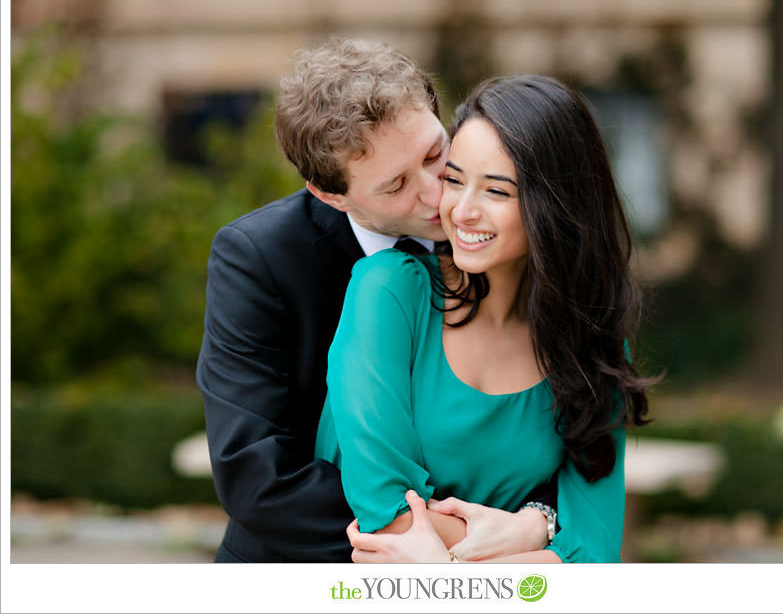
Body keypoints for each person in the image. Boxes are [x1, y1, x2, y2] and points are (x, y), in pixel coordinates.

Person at [196, 39, 555, 562]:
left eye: (436, 154)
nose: (439, 195)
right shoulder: (259, 258)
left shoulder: (511, 229)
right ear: (330, 194)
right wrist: (426, 541)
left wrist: (535, 521)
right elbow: (256, 474)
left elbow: (565, 429)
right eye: (396, 187)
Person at [315, 74, 655, 563]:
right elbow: (389, 516)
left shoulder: (591, 342)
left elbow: (596, 554)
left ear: (554, 207)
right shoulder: (388, 291)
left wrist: (476, 549)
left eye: (497, 191)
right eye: (454, 179)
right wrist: (537, 539)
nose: (460, 210)